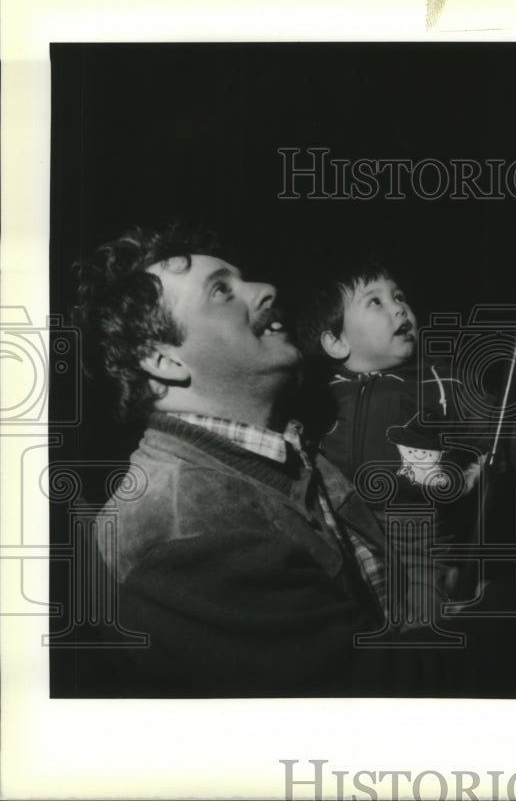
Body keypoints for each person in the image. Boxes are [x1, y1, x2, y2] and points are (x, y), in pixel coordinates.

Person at [74, 225, 434, 697]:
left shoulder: (287, 452)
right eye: (222, 291)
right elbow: (377, 699)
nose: (267, 290)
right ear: (163, 361)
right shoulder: (178, 537)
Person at [295, 262, 482, 624]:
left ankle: (445, 606)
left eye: (398, 297)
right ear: (336, 342)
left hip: (413, 533)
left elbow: (504, 425)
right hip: (341, 529)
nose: (398, 307)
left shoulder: (437, 381)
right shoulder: (319, 398)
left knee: (419, 628)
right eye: (375, 302)